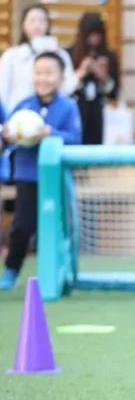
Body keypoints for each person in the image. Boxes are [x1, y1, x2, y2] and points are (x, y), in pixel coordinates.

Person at [0, 52, 82, 290]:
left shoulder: (68, 107)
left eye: (49, 73)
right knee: (21, 226)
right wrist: (8, 136)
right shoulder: (23, 106)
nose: (42, 78)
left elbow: (75, 139)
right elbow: (9, 136)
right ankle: (12, 270)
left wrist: (49, 133)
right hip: (27, 174)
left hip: (55, 177)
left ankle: (59, 271)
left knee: (55, 225)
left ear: (60, 77)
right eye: (38, 72)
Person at [0, 4, 77, 114]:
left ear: (48, 25)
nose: (37, 26)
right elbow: (2, 90)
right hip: (18, 117)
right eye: (32, 20)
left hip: (51, 117)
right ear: (23, 25)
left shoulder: (61, 54)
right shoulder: (12, 55)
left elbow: (68, 88)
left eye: (42, 21)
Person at [67, 12, 120, 145]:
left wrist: (103, 77)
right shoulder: (69, 54)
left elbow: (114, 93)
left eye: (97, 35)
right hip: (75, 111)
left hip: (98, 113)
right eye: (90, 35)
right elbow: (65, 89)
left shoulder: (109, 56)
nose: (94, 39)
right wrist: (81, 71)